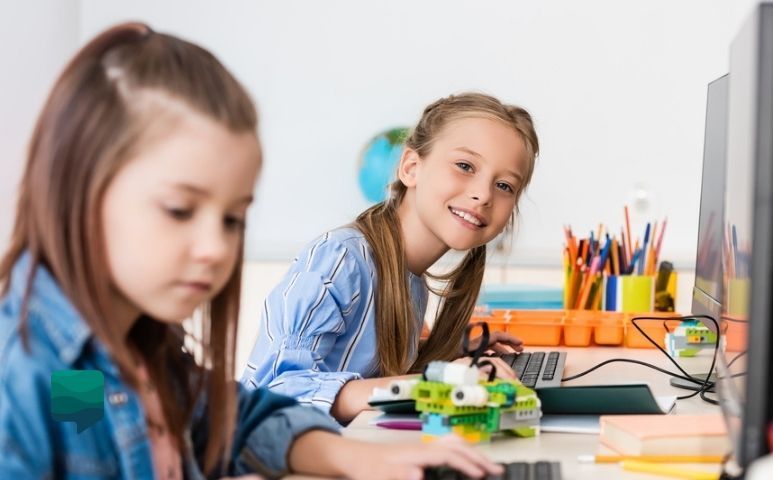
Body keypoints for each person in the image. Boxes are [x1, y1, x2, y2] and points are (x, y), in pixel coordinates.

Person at [0, 23, 501, 480]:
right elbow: (71, 425)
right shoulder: (36, 373)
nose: (217, 247)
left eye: (233, 218)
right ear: (83, 190)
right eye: (179, 209)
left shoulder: (140, 350)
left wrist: (355, 457)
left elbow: (237, 420)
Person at [242, 92, 539, 423]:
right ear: (411, 168)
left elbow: (370, 372)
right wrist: (441, 383)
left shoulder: (411, 281)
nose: (483, 194)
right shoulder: (342, 259)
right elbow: (280, 391)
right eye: (465, 166)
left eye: (504, 186)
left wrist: (451, 354)